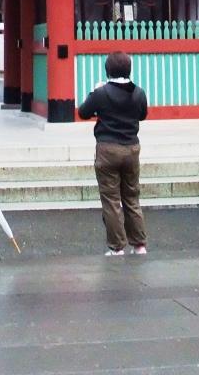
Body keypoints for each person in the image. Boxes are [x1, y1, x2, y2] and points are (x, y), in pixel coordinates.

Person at [77, 51, 149, 256]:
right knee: (132, 196)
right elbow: (142, 115)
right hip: (131, 148)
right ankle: (139, 244)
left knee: (111, 200)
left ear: (107, 70)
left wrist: (93, 92)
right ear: (129, 70)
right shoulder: (139, 92)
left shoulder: (101, 93)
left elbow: (83, 112)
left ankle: (117, 247)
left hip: (108, 148)